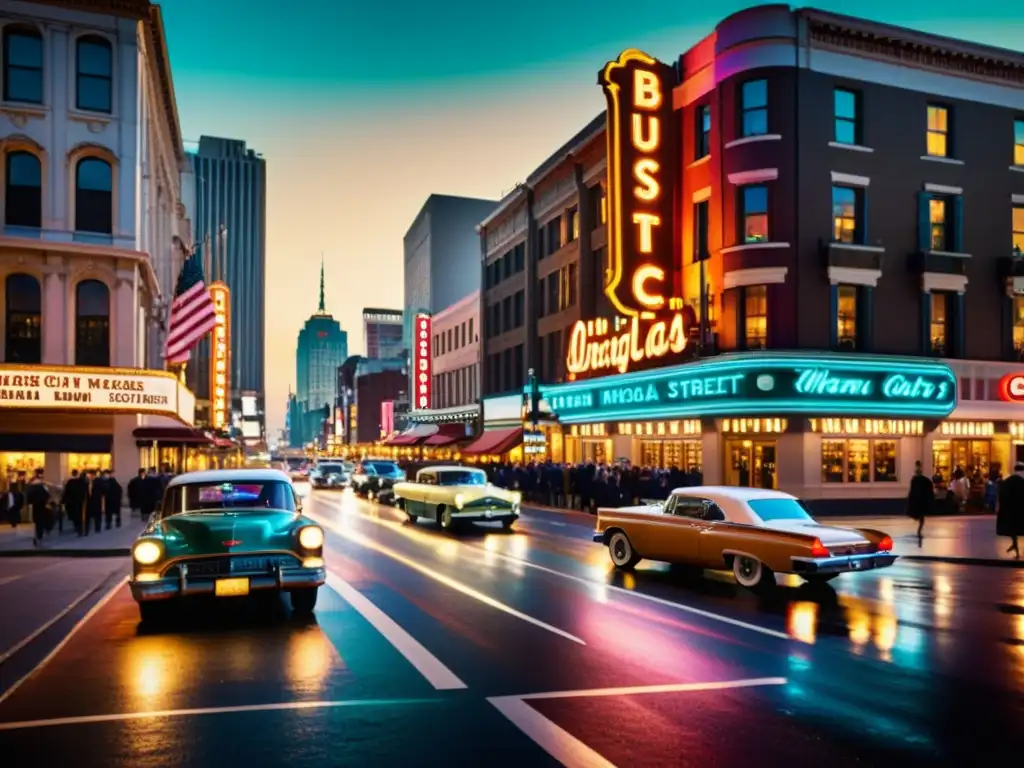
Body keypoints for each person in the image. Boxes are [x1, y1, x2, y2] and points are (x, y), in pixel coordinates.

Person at [996, 461, 1024, 559]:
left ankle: (1015, 546)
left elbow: (1002, 496)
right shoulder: (1021, 481)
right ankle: (1015, 547)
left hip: (1010, 510)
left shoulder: (1008, 481)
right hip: (1020, 509)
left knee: (1013, 528)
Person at [907, 461, 934, 545]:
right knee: (921, 516)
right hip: (920, 499)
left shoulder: (915, 479)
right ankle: (919, 530)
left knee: (920, 516)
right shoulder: (921, 479)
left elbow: (912, 490)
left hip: (917, 499)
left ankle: (919, 530)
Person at [26, 469, 51, 548]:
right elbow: (47, 495)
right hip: (42, 506)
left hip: (35, 506)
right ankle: (39, 537)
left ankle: (37, 537)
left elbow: (28, 497)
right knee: (41, 521)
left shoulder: (31, 485)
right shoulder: (42, 485)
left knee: (37, 522)